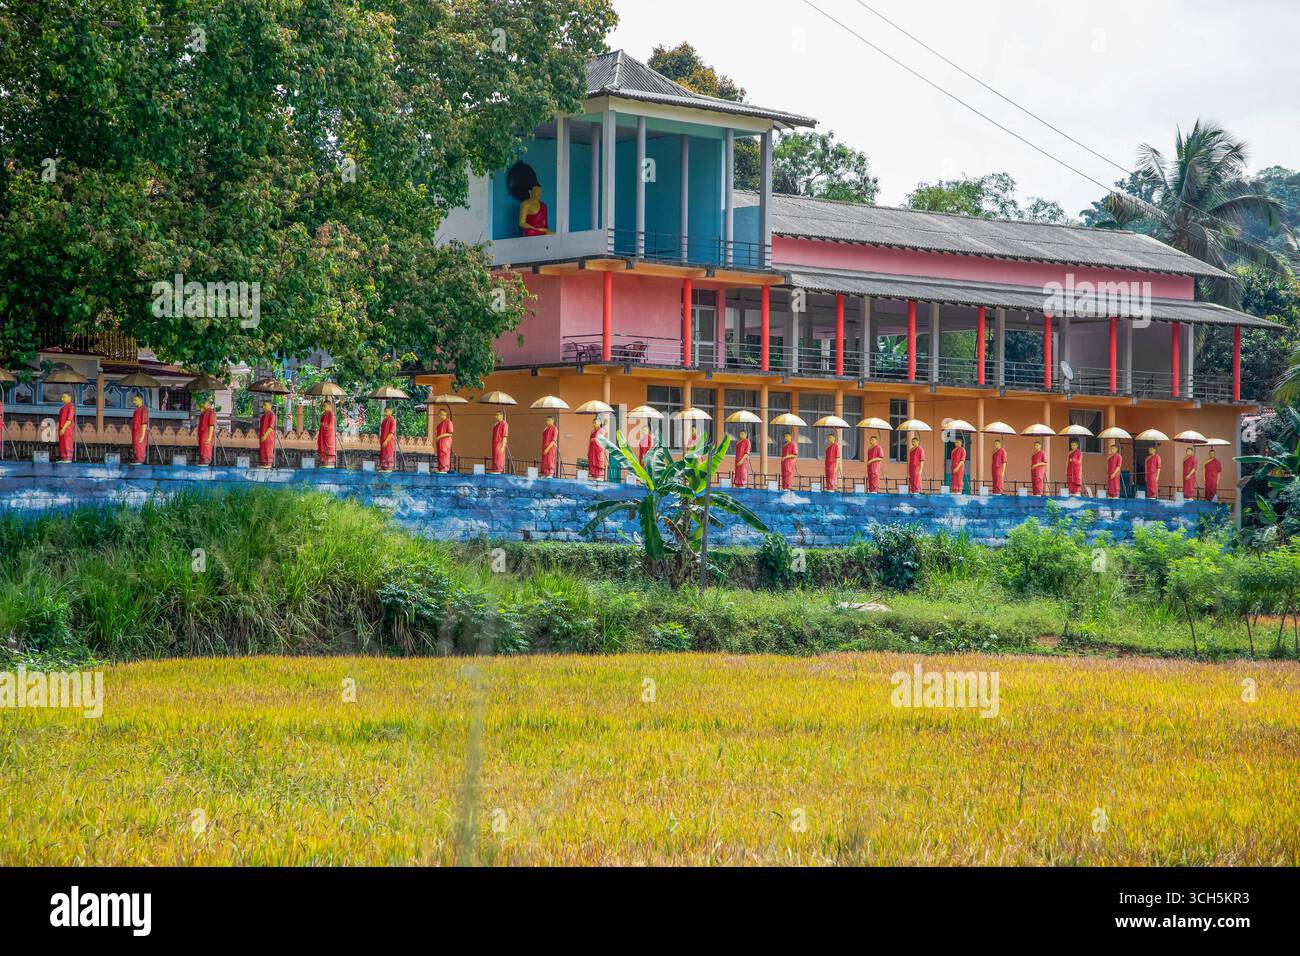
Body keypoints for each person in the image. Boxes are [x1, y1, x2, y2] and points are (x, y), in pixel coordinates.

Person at [56, 392, 76, 463]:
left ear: (69, 397)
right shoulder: (62, 408)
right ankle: (63, 457)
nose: (62, 399)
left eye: (64, 397)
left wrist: (64, 428)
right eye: (62, 397)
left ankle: (68, 457)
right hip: (61, 427)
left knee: (67, 442)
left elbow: (69, 420)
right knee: (62, 443)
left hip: (67, 428)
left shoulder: (71, 407)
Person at [130, 394, 149, 464]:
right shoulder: (136, 410)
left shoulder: (143, 410)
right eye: (134, 400)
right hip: (135, 431)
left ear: (140, 400)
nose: (134, 402)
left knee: (140, 446)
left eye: (136, 400)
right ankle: (136, 459)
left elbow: (144, 423)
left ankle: (140, 460)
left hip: (140, 431)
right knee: (135, 445)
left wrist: (143, 435)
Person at [197, 399, 217, 466]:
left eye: (204, 402)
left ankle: (206, 462)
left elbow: (211, 425)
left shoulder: (211, 412)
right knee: (202, 448)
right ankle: (202, 461)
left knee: (206, 448)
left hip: (207, 433)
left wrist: (209, 437)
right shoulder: (204, 412)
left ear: (208, 403)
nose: (203, 404)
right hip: (202, 433)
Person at [317, 400, 336, 468]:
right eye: (323, 406)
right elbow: (322, 421)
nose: (324, 407)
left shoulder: (331, 414)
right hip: (323, 436)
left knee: (328, 451)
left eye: (325, 406)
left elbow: (330, 426)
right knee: (322, 449)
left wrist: (322, 425)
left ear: (329, 406)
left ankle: (328, 462)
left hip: (329, 436)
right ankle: (323, 462)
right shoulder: (324, 414)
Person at [257, 401, 276, 468]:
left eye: (265, 405)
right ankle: (263, 463)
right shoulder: (263, 417)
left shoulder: (272, 415)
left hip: (268, 436)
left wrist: (265, 436)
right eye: (263, 405)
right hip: (262, 436)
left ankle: (269, 463)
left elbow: (271, 427)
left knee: (268, 449)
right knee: (262, 450)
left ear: (270, 406)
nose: (263, 407)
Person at [587, 415, 607, 480]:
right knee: (592, 465)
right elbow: (589, 441)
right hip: (592, 450)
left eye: (595, 423)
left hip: (598, 451)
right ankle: (594, 475)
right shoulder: (593, 431)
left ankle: (598, 476)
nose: (594, 424)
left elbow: (600, 440)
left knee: (598, 464)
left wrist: (594, 440)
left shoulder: (601, 430)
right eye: (593, 423)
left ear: (599, 423)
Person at [378, 406, 397, 472]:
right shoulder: (384, 421)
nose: (385, 412)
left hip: (388, 441)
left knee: (388, 454)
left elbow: (391, 433)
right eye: (385, 411)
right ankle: (383, 468)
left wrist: (386, 441)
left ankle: (389, 469)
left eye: (387, 411)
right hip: (383, 441)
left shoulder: (392, 420)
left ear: (391, 412)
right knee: (383, 455)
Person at [435, 408, 453, 473]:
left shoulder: (448, 422)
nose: (439, 415)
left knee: (444, 455)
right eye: (439, 414)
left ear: (444, 414)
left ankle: (445, 468)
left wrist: (440, 436)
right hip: (440, 442)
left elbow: (450, 433)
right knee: (440, 455)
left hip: (445, 442)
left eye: (440, 414)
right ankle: (440, 468)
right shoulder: (440, 424)